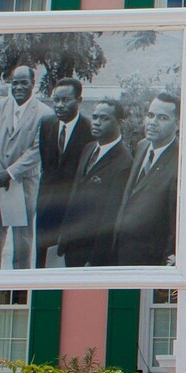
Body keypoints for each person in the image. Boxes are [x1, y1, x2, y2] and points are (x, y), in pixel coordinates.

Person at [0, 66, 56, 269]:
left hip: (25, 182)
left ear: (33, 84)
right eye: (15, 83)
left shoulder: (44, 113)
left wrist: (11, 172)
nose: (19, 87)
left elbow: (38, 149)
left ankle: (20, 282)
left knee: (23, 238)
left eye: (24, 82)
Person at [56, 100, 132, 267]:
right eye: (95, 117)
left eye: (104, 118)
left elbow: (110, 217)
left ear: (119, 123)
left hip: (92, 252)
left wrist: (95, 260)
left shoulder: (123, 162)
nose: (96, 122)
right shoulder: (89, 149)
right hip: (72, 244)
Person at [113, 92, 179, 266]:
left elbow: (176, 220)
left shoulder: (181, 161)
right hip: (124, 251)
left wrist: (171, 257)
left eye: (162, 118)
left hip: (152, 259)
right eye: (150, 115)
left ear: (178, 123)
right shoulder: (142, 146)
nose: (152, 122)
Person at [36, 78, 93, 267]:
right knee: (42, 262)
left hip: (74, 210)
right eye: (56, 100)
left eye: (65, 100)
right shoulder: (46, 124)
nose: (59, 106)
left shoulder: (90, 131)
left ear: (79, 100)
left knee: (69, 263)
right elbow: (47, 165)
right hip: (47, 207)